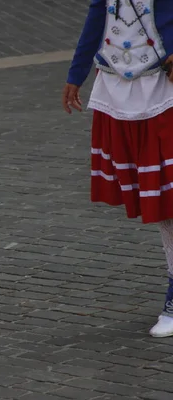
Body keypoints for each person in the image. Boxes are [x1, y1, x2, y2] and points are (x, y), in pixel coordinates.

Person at [64, 0, 173, 337]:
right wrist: (76, 73)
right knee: (161, 205)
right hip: (120, 87)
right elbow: (98, 15)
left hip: (163, 86)